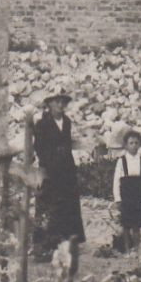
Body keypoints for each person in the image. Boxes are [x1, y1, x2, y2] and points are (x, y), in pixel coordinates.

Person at [30, 90, 85, 252]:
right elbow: (39, 147)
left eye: (63, 102)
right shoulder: (42, 124)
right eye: (57, 102)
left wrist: (66, 159)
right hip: (50, 169)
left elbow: (67, 144)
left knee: (68, 203)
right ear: (49, 104)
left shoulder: (67, 122)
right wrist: (51, 162)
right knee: (49, 203)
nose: (60, 106)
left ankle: (68, 239)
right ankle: (45, 242)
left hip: (67, 168)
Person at [112, 130, 141, 253]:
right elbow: (116, 181)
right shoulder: (121, 161)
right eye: (131, 143)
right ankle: (127, 249)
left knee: (137, 224)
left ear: (139, 145)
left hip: (138, 194)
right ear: (126, 145)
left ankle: (136, 249)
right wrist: (117, 198)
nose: (133, 145)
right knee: (126, 224)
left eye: (136, 143)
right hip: (126, 194)